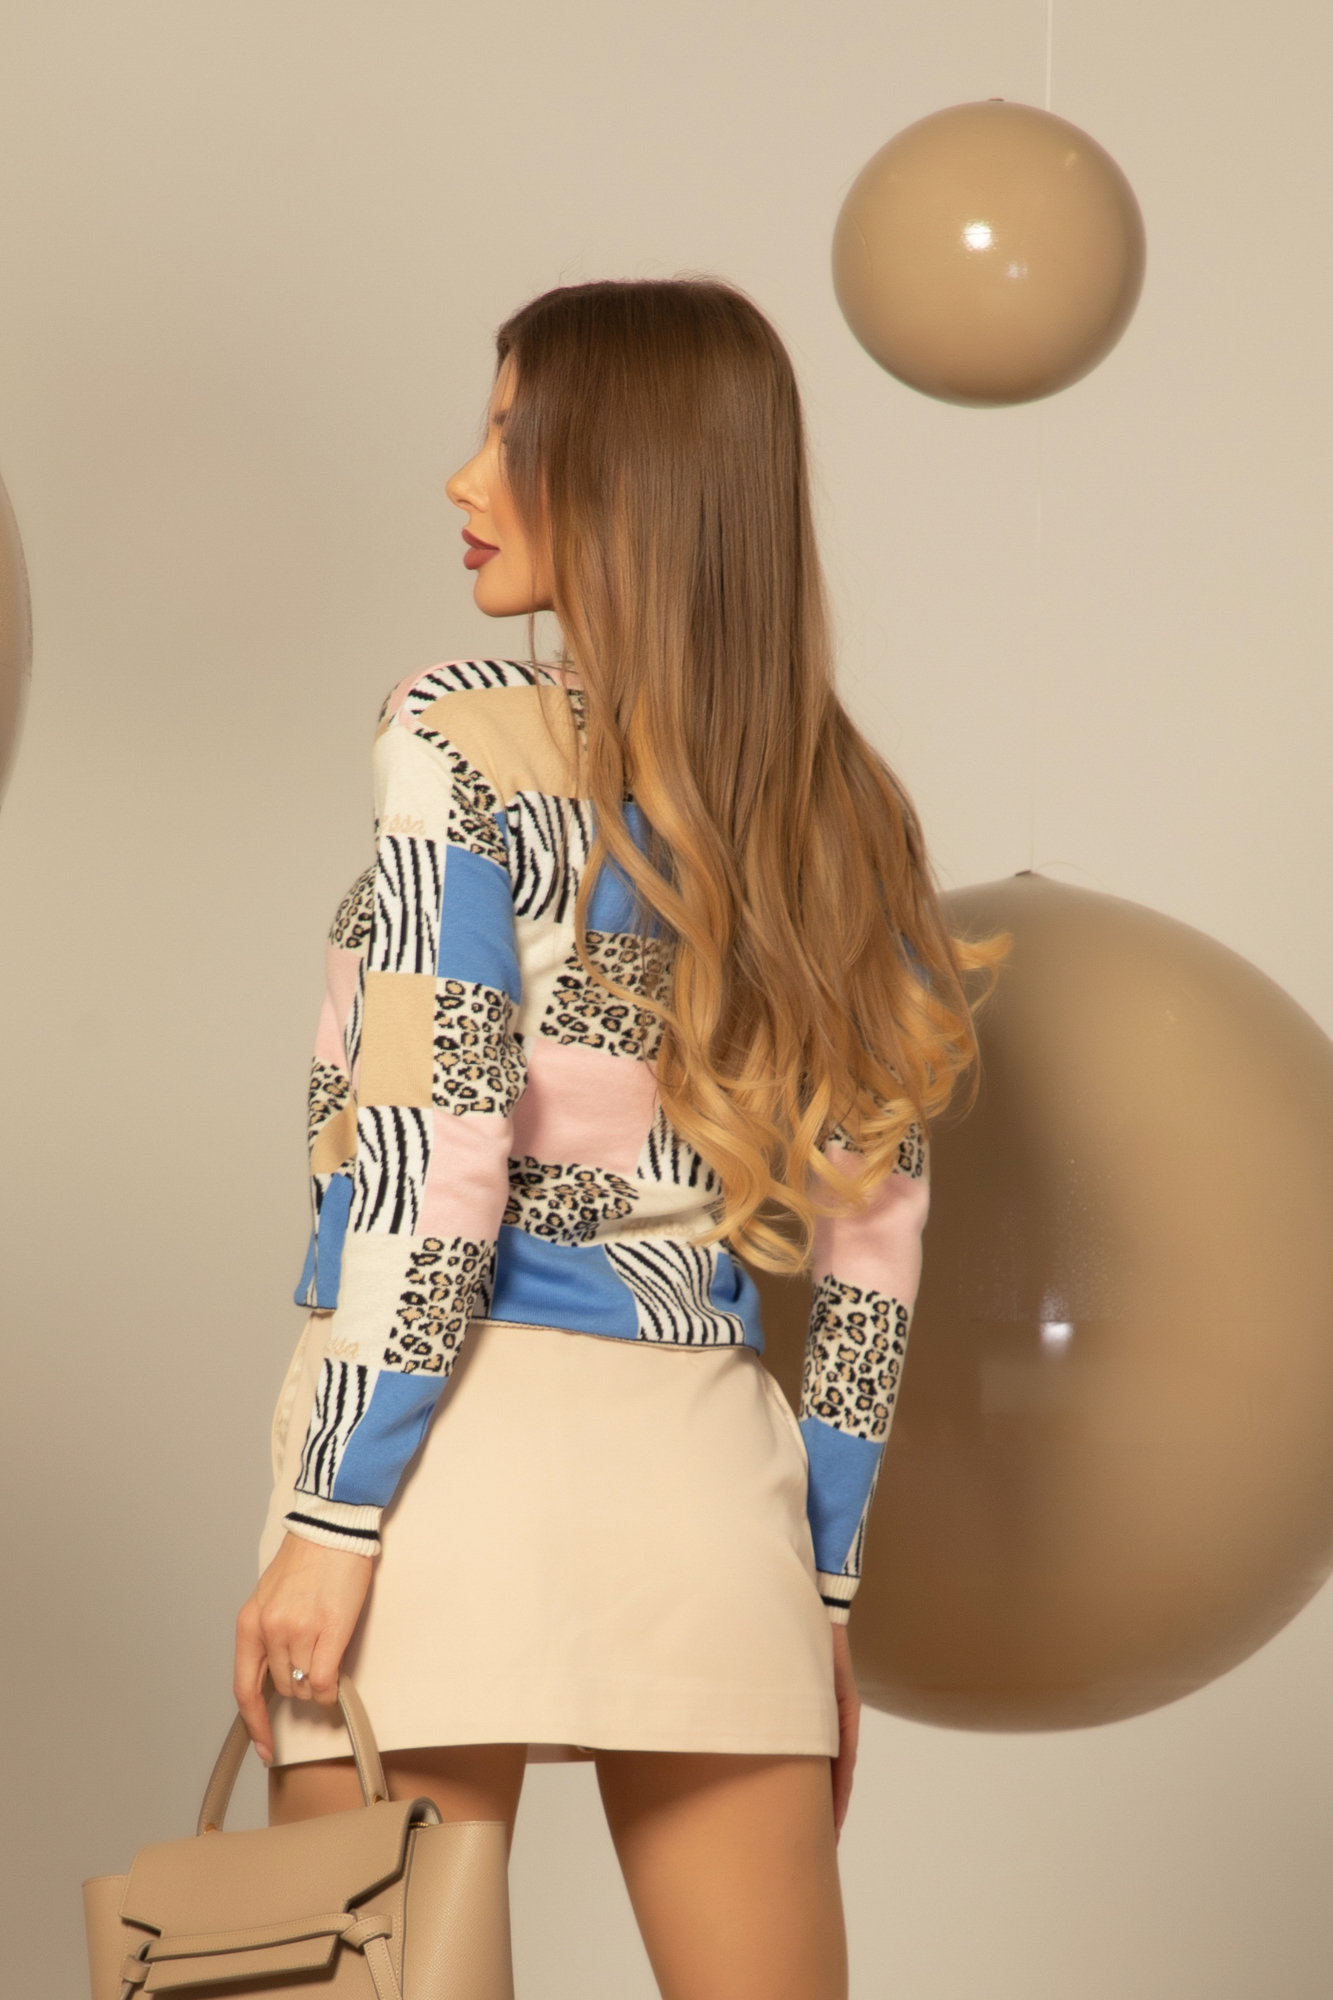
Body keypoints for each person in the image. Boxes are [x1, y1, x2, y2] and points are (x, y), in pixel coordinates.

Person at [234, 277, 991, 2000]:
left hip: (438, 1467)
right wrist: (818, 1590)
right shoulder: (843, 808)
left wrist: (332, 1520)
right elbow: (872, 1257)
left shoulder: (458, 732)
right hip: (708, 1487)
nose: (464, 478)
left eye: (513, 437)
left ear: (629, 478)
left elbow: (431, 1146)